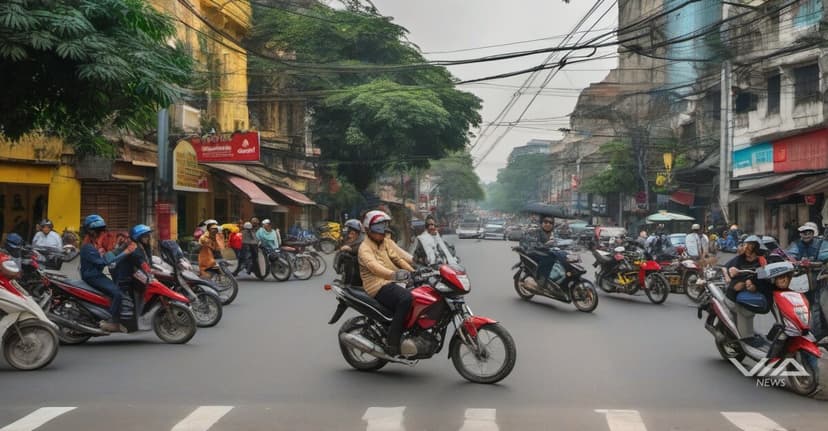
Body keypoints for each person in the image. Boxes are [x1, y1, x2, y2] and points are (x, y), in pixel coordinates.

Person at [358, 210, 414, 357]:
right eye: (378, 228)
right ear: (368, 230)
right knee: (406, 298)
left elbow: (399, 258)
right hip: (378, 286)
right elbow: (374, 266)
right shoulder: (364, 248)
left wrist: (414, 269)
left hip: (392, 281)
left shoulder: (384, 242)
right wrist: (393, 275)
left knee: (419, 290)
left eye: (384, 228)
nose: (382, 232)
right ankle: (392, 341)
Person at [78, 214, 133, 333]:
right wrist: (123, 251)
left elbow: (107, 255)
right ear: (91, 231)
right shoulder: (87, 246)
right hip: (92, 276)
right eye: (99, 230)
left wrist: (121, 249)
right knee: (117, 293)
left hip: (96, 274)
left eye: (101, 230)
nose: (101, 233)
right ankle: (112, 322)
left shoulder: (94, 243)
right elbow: (103, 261)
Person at [724, 235, 769, 347]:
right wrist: (728, 276)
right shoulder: (739, 259)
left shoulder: (762, 261)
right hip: (734, 295)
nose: (748, 250)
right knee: (745, 311)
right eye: (746, 246)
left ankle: (750, 335)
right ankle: (746, 339)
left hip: (751, 293)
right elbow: (726, 268)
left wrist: (754, 285)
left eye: (751, 247)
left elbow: (764, 279)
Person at [111, 224, 154, 326]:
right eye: (145, 236)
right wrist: (151, 274)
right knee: (125, 299)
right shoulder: (135, 247)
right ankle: (115, 320)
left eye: (148, 236)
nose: (148, 238)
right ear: (138, 237)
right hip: (124, 277)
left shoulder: (137, 245)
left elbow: (146, 261)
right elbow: (141, 262)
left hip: (131, 274)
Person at [520, 215, 565, 286]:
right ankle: (540, 279)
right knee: (550, 257)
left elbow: (559, 243)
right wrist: (546, 244)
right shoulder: (534, 232)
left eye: (551, 222)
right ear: (541, 223)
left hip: (543, 252)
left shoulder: (553, 233)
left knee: (562, 256)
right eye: (546, 222)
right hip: (531, 252)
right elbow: (533, 245)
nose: (548, 224)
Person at [334, 219, 364, 286]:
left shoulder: (362, 242)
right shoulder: (347, 239)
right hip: (347, 272)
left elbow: (359, 251)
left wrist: (350, 249)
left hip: (357, 274)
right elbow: (338, 248)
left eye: (352, 233)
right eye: (349, 233)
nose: (350, 235)